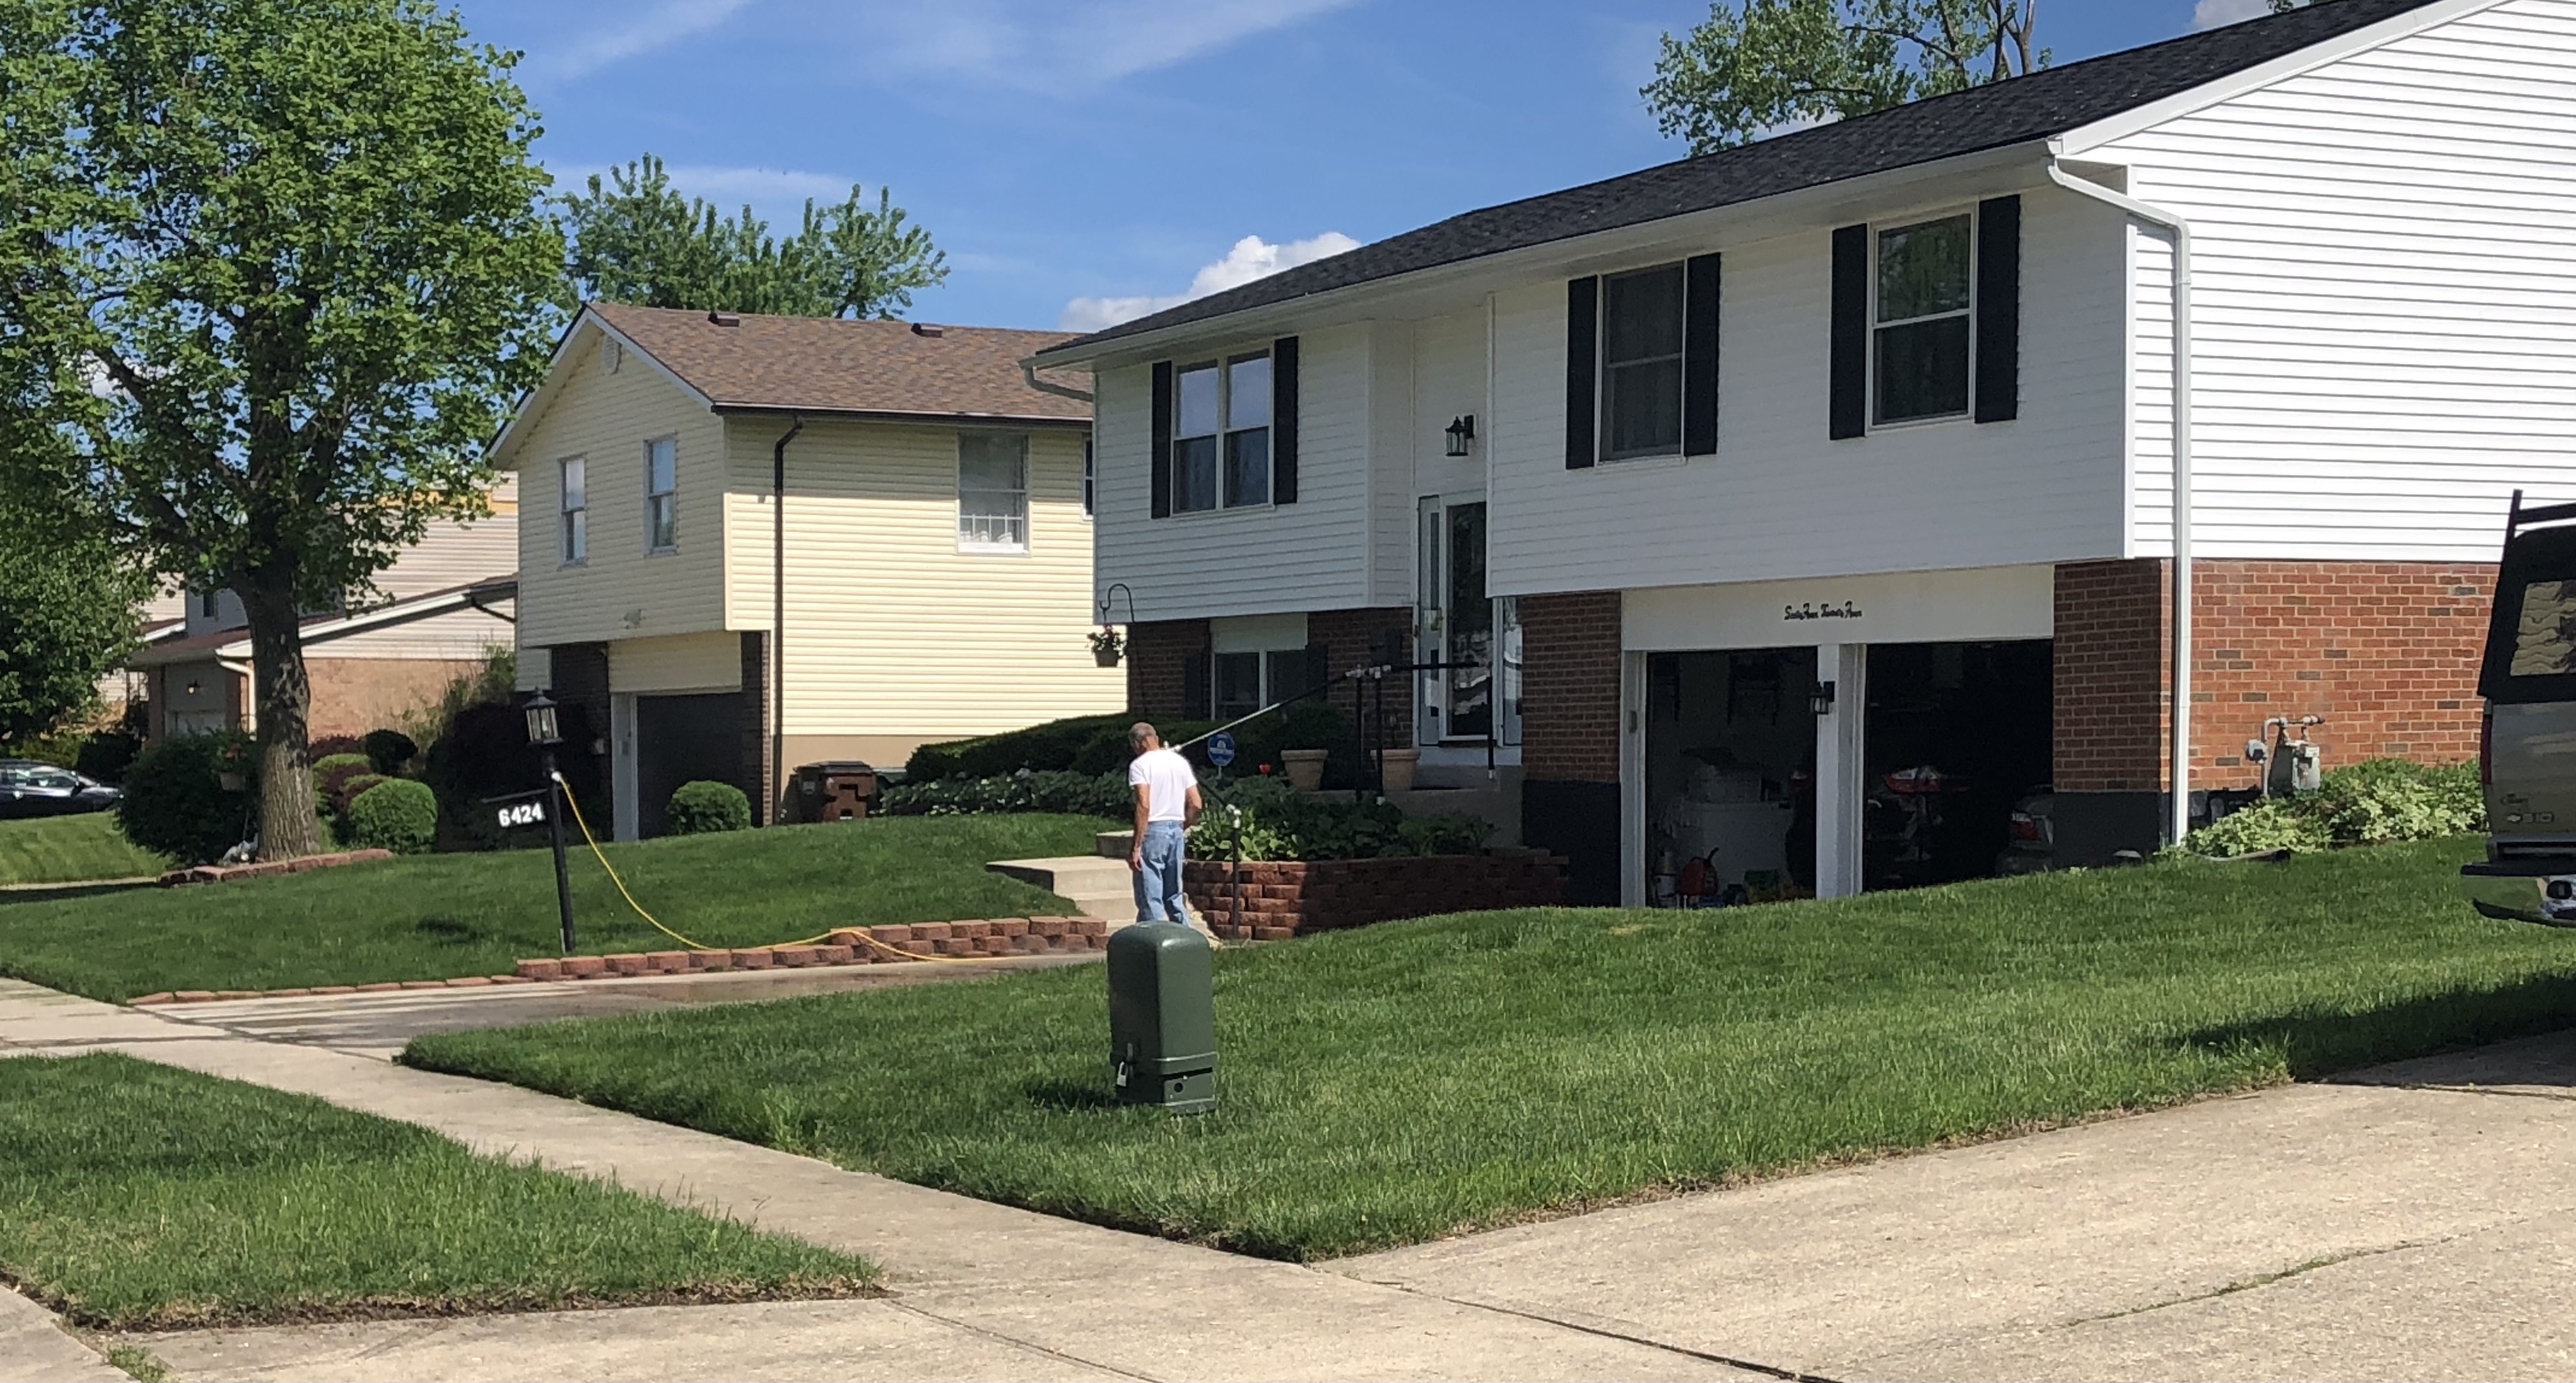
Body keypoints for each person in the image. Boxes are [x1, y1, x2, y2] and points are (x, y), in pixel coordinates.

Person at [1126, 721, 1200, 926]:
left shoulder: (1140, 765)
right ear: (1156, 739)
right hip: (1176, 828)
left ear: (1139, 743)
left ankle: (1153, 937)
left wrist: (1136, 846)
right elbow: (1196, 803)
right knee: (1174, 894)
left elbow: (1144, 804)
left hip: (1153, 830)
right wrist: (1183, 825)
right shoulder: (1180, 762)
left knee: (1150, 896)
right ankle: (1186, 936)